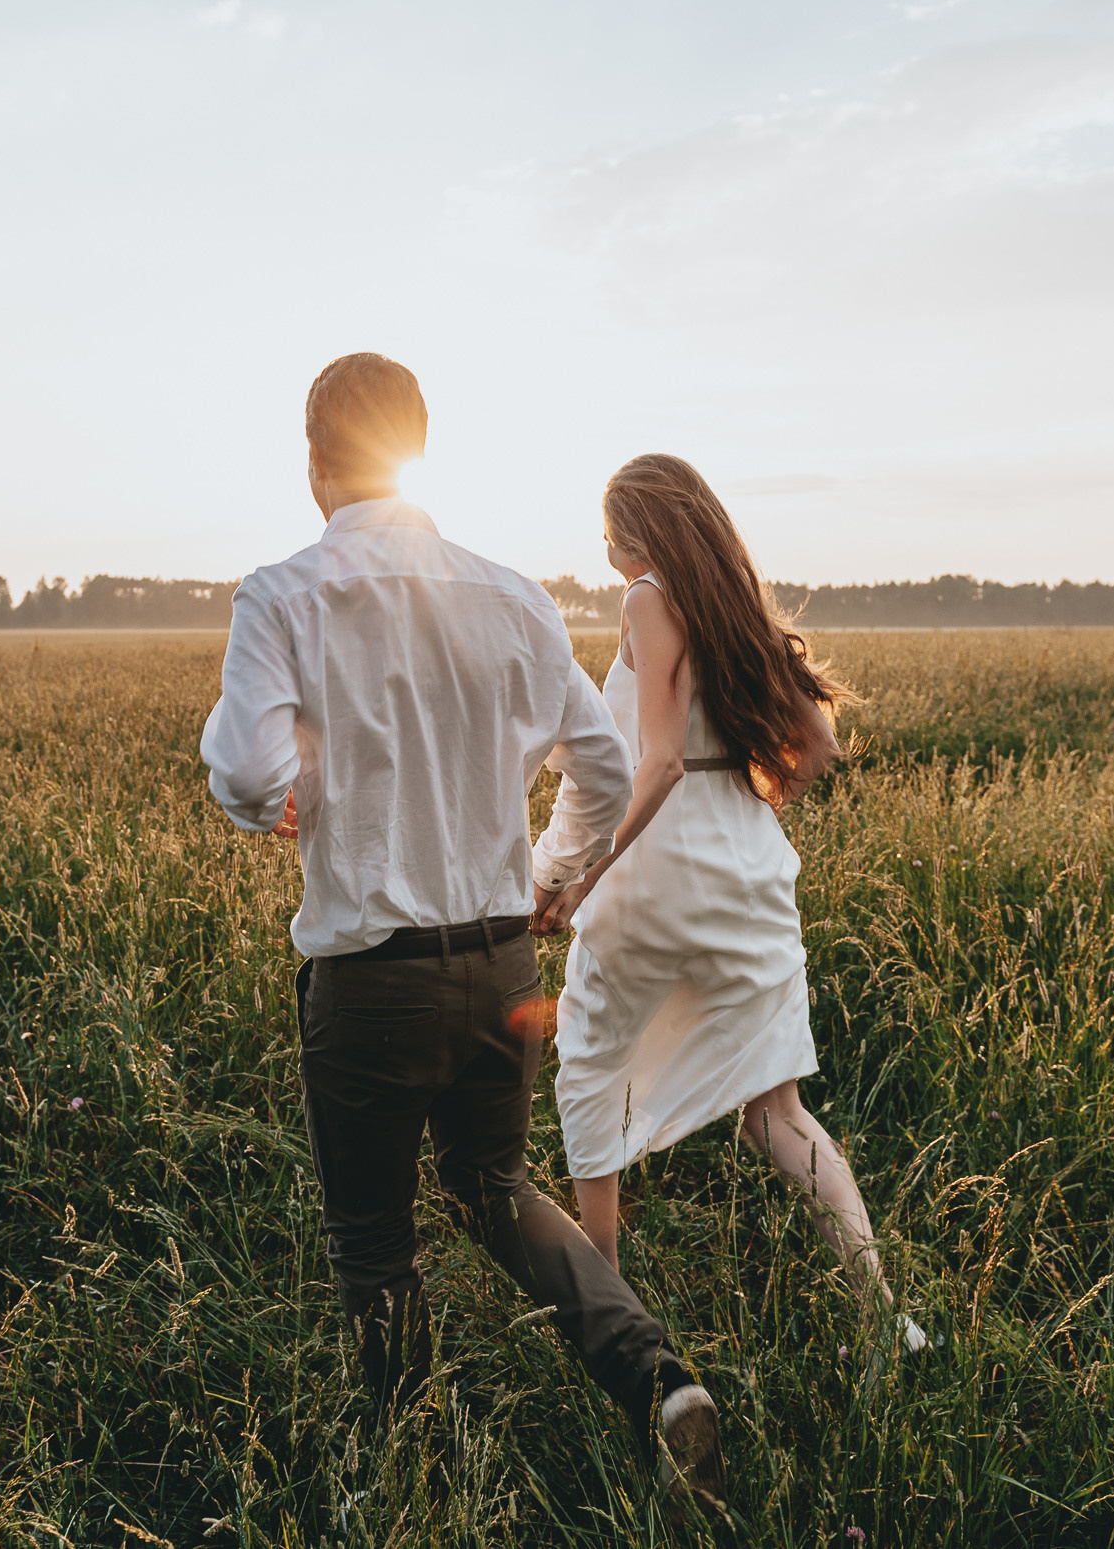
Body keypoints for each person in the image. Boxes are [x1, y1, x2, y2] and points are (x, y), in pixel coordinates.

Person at [199, 356, 726, 1498]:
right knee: (493, 1186)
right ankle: (656, 1377)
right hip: (502, 959)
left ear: (314, 457)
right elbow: (601, 760)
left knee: (376, 1240)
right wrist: (553, 875)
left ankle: (422, 1476)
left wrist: (283, 786)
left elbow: (242, 773)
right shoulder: (512, 594)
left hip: (372, 981)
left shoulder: (283, 594)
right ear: (419, 444)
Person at [532, 453, 926, 1354]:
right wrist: (747, 792)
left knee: (591, 1070)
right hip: (745, 866)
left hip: (658, 871)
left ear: (639, 527)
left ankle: (608, 1325)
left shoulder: (647, 597)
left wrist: (588, 869)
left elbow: (660, 761)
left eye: (608, 530)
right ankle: (881, 1318)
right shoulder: (732, 606)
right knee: (777, 1113)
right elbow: (818, 741)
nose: (603, 550)